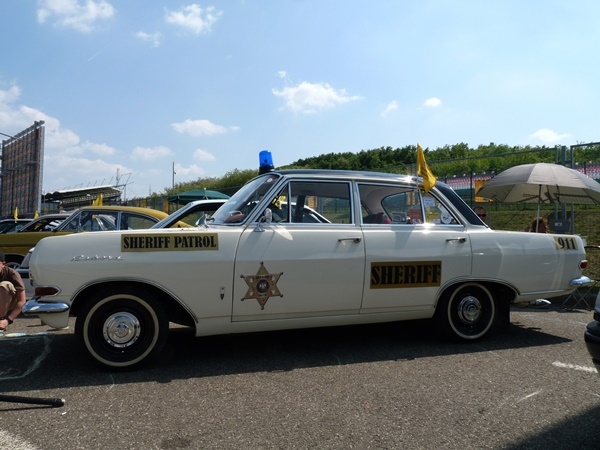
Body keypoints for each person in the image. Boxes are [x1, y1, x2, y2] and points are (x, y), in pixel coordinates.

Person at [0, 250, 26, 332]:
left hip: (10, 301)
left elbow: (22, 301)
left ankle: (1, 320)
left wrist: (8, 320)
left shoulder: (12, 274)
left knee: (4, 285)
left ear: (3, 264)